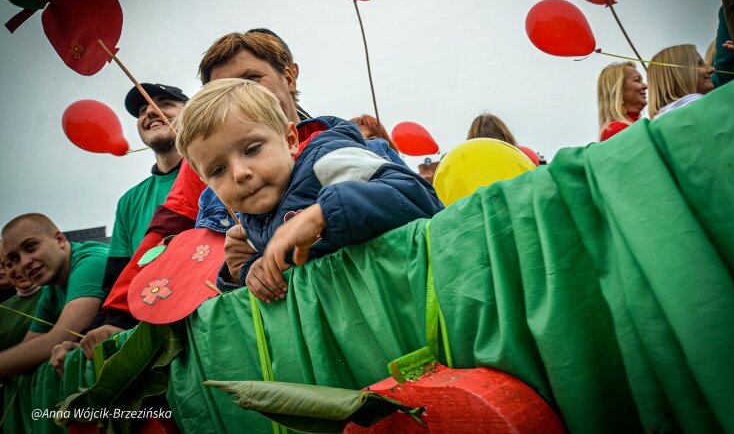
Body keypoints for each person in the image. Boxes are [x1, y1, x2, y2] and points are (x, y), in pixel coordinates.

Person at [175, 79, 444, 302]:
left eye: (252, 149)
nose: (239, 173)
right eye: (218, 170)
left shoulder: (328, 161)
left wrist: (323, 213)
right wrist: (248, 271)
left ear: (290, 140)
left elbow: (418, 197)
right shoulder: (249, 226)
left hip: (420, 299)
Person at [50, 83, 188, 368]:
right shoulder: (128, 201)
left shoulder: (213, 170)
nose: (150, 110)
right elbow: (117, 278)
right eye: (141, 110)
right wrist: (87, 336)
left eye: (165, 103)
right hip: (148, 336)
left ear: (191, 113)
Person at [0, 214, 107, 377]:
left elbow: (62, 335)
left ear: (59, 240)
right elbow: (29, 348)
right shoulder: (51, 288)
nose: (24, 262)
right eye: (14, 259)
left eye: (30, 247)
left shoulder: (92, 261)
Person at [647, 45, 716, 119]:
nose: (712, 69)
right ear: (677, 74)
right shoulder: (711, 111)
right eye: (699, 64)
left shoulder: (658, 124)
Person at [0, 241, 42, 351]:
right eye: (9, 264)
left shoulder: (56, 292)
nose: (17, 269)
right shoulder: (3, 308)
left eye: (19, 260)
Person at [596, 61, 647, 141]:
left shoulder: (638, 125)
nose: (645, 86)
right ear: (619, 90)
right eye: (637, 80)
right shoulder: (615, 130)